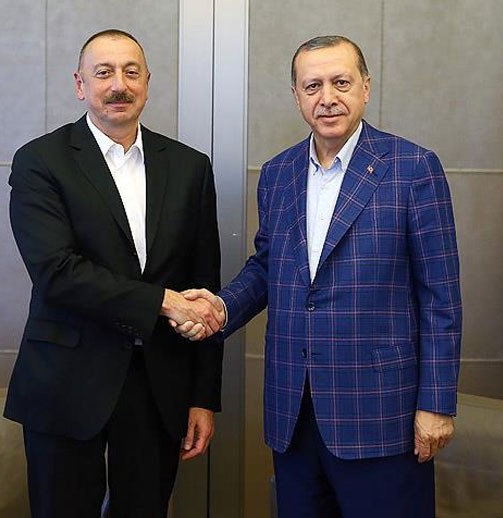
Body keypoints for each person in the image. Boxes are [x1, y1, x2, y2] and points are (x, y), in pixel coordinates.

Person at [177, 35, 461, 517]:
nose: (327, 97)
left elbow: (441, 298)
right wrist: (220, 308)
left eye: (340, 83)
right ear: (296, 96)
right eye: (313, 86)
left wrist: (436, 403)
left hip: (381, 413)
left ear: (366, 87)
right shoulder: (278, 173)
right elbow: (268, 266)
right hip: (294, 411)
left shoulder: (413, 168)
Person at [3, 29, 224, 518]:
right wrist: (162, 301)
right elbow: (57, 272)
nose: (118, 85)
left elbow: (204, 287)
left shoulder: (189, 167)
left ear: (147, 82)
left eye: (131, 72)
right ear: (80, 84)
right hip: (66, 383)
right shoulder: (41, 161)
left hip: (158, 387)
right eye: (103, 73)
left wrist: (202, 397)